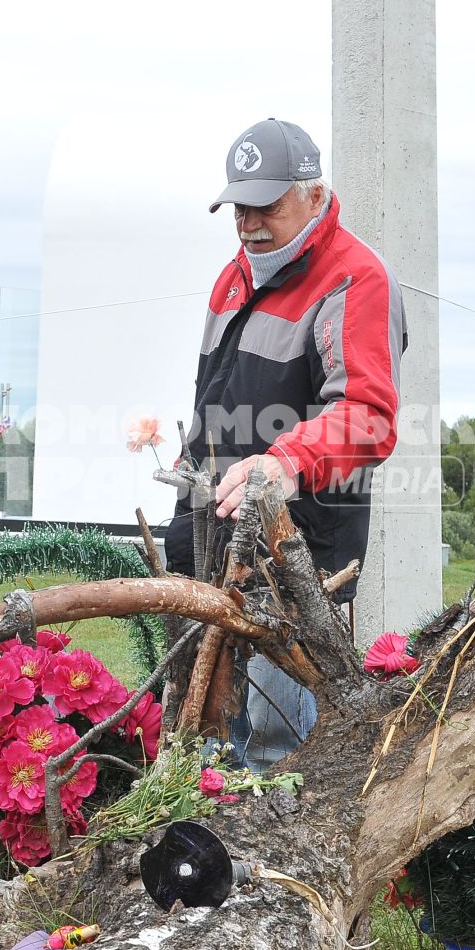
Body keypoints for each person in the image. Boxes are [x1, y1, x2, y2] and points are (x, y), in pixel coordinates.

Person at [162, 118, 407, 769]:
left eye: (265, 205)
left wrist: (286, 461)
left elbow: (368, 414)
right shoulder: (232, 278)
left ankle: (281, 871)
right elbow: (213, 402)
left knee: (277, 749)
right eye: (239, 206)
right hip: (211, 542)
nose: (248, 222)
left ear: (314, 193)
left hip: (294, 555)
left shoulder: (355, 279)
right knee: (205, 738)